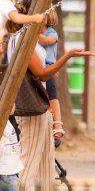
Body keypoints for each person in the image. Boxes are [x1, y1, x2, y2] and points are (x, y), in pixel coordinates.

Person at [5, 0, 93, 191]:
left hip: (39, 108)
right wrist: (68, 56)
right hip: (31, 108)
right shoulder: (26, 38)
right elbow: (42, 74)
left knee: (44, 166)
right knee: (27, 165)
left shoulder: (22, 37)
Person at [38, 10, 64, 139]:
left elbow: (47, 41)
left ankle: (58, 123)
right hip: (36, 68)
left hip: (48, 67)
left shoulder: (51, 32)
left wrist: (33, 33)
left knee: (52, 96)